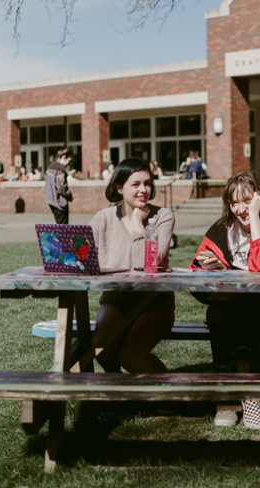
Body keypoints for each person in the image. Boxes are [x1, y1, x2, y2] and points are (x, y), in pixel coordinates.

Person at [190, 171, 260, 431]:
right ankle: (229, 395)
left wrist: (256, 216)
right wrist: (207, 266)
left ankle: (246, 395)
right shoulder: (221, 228)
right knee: (218, 311)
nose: (239, 209)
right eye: (233, 202)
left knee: (238, 313)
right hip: (229, 305)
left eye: (246, 201)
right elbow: (194, 271)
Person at [90, 157, 176, 373]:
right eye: (135, 184)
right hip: (116, 299)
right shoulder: (103, 218)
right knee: (101, 349)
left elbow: (147, 264)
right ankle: (122, 396)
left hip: (154, 301)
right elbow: (81, 255)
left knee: (130, 356)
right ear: (120, 188)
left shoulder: (163, 216)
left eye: (147, 183)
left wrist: (139, 223)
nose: (143, 190)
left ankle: (171, 396)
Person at [44, 146, 73, 224]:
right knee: (63, 227)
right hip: (60, 202)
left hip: (51, 200)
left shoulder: (49, 167)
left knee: (59, 225)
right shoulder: (60, 169)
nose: (69, 163)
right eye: (69, 160)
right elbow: (61, 188)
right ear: (64, 157)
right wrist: (69, 195)